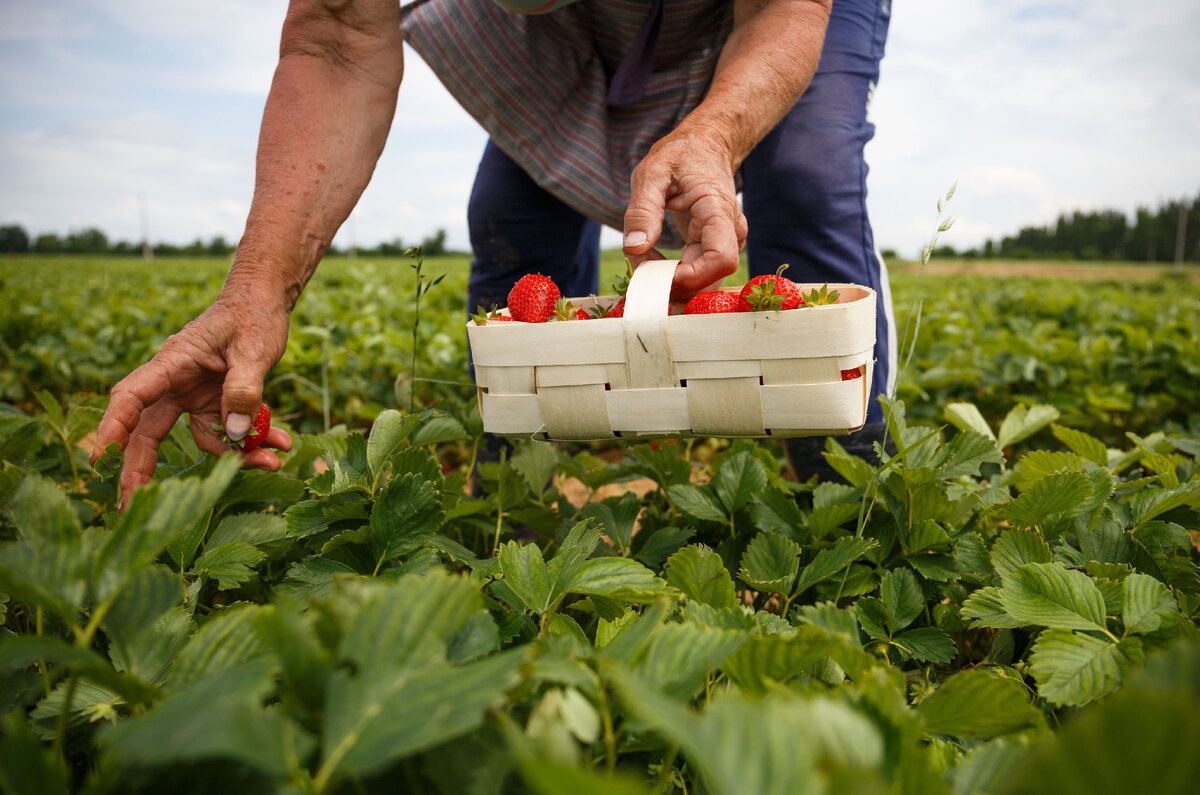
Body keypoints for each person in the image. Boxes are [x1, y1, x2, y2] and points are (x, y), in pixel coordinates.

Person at [91, 0, 895, 500]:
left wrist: (716, 133)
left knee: (805, 178)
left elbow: (780, 11)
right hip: (575, 20)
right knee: (515, 216)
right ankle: (517, 502)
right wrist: (257, 288)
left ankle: (847, 497)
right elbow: (335, 37)